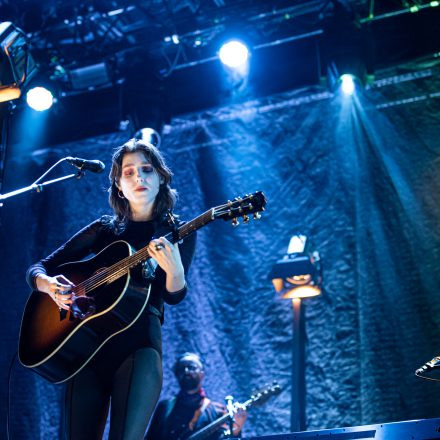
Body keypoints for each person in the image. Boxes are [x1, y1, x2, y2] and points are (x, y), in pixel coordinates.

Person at [25, 139, 196, 439]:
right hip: (87, 353)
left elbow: (173, 295)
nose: (139, 177)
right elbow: (39, 268)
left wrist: (176, 270)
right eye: (129, 172)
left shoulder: (177, 231)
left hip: (139, 348)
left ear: (161, 178)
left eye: (147, 170)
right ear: (118, 184)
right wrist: (49, 286)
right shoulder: (104, 229)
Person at [145, 353, 247, 440]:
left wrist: (236, 428)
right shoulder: (165, 407)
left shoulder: (216, 411)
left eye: (192, 367)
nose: (186, 371)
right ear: (176, 374)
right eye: (181, 369)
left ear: (202, 373)